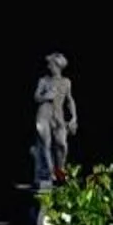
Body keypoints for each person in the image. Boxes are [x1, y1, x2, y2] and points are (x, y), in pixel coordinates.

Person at [32, 52, 78, 187]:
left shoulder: (66, 82)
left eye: (51, 64)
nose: (48, 66)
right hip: (44, 115)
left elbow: (70, 100)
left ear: (57, 66)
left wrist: (74, 117)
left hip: (58, 116)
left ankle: (60, 172)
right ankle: (50, 172)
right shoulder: (43, 81)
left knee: (62, 145)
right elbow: (36, 97)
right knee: (45, 144)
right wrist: (47, 96)